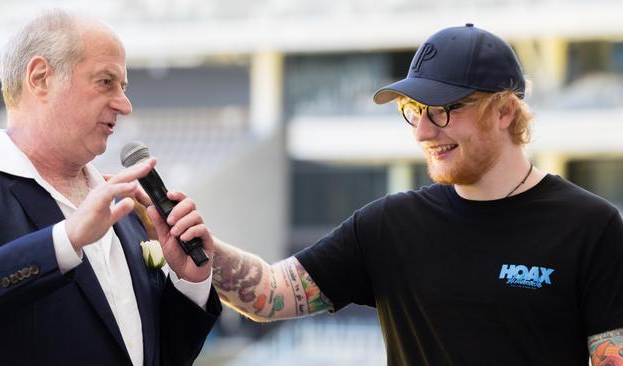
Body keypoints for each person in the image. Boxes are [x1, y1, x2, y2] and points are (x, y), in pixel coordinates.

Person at [156, 24, 623, 365]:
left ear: (504, 111)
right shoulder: (389, 225)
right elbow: (271, 295)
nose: (422, 130)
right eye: (413, 110)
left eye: (442, 110)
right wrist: (203, 250)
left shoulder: (591, 228)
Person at [0, 10, 221, 366]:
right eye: (106, 82)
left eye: (123, 87)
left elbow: (156, 354)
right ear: (41, 78)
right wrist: (65, 241)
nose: (125, 104)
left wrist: (190, 281)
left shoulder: (123, 206)